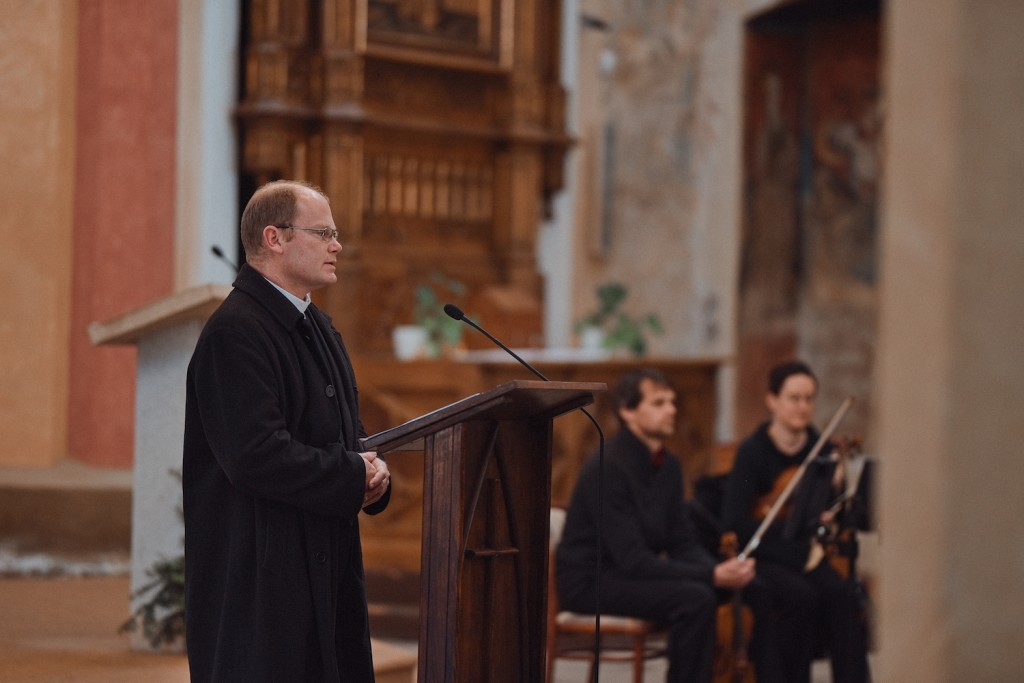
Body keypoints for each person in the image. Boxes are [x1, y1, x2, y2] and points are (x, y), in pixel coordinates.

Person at [183, 180, 391, 682]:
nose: (336, 245)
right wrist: (349, 474)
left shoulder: (318, 325)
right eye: (323, 233)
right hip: (262, 577)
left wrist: (373, 471)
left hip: (324, 564)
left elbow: (346, 432)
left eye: (334, 233)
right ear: (274, 238)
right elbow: (254, 455)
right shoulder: (235, 332)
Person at [555, 368, 786, 683]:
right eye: (659, 403)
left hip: (631, 573)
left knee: (753, 587)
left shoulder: (669, 465)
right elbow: (632, 559)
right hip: (592, 582)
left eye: (673, 402)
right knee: (695, 598)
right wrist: (711, 574)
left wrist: (723, 571)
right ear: (627, 411)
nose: (672, 410)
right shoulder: (607, 466)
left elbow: (682, 542)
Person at [721, 360, 870, 683]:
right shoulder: (753, 451)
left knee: (844, 596)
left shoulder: (820, 449)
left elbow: (834, 519)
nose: (803, 407)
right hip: (767, 554)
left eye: (809, 398)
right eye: (794, 398)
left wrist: (835, 488)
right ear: (772, 400)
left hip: (804, 552)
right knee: (800, 596)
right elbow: (735, 523)